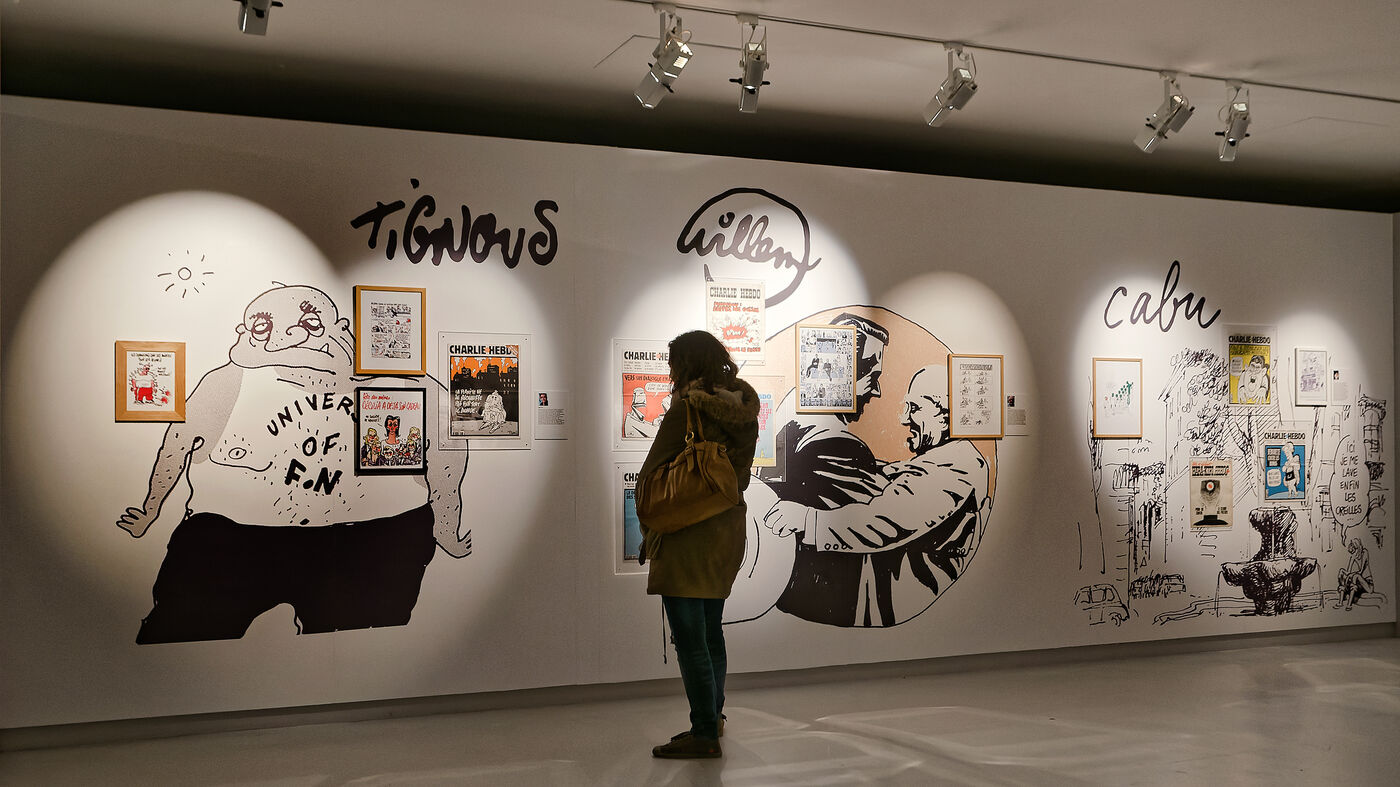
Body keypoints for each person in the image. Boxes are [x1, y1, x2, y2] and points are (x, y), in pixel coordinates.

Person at [117, 284, 470, 643]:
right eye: (263, 327)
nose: (289, 337)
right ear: (245, 333)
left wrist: (445, 524)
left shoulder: (405, 384)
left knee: (365, 645)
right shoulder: (229, 381)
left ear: (340, 329)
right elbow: (177, 445)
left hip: (373, 538)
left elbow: (448, 453)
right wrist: (150, 508)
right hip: (233, 537)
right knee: (181, 635)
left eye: (310, 324)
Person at [764, 364, 989, 626]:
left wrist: (807, 520)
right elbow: (899, 473)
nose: (905, 419)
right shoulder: (947, 460)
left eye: (915, 408)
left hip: (897, 607)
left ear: (945, 415)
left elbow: (885, 520)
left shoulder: (955, 468)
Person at [638, 330, 760, 759]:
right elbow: (739, 478)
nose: (670, 373)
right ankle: (715, 716)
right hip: (725, 531)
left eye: (673, 364)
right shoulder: (744, 413)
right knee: (710, 632)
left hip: (686, 534)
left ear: (686, 364)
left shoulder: (686, 410)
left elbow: (651, 479)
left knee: (690, 640)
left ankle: (704, 732)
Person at [757, 312, 891, 625]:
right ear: (840, 368)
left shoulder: (786, 415)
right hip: (821, 603)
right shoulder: (842, 446)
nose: (877, 391)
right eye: (870, 373)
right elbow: (882, 518)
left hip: (786, 595)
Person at [1338, 537, 1373, 610]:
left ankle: (1349, 605)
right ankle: (1340, 602)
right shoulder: (1353, 556)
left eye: (1354, 548)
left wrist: (1350, 575)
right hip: (1360, 585)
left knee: (1355, 576)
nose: (1353, 551)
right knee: (1342, 571)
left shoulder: (1364, 552)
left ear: (1357, 546)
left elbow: (1361, 571)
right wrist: (1343, 572)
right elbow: (1348, 572)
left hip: (1368, 584)